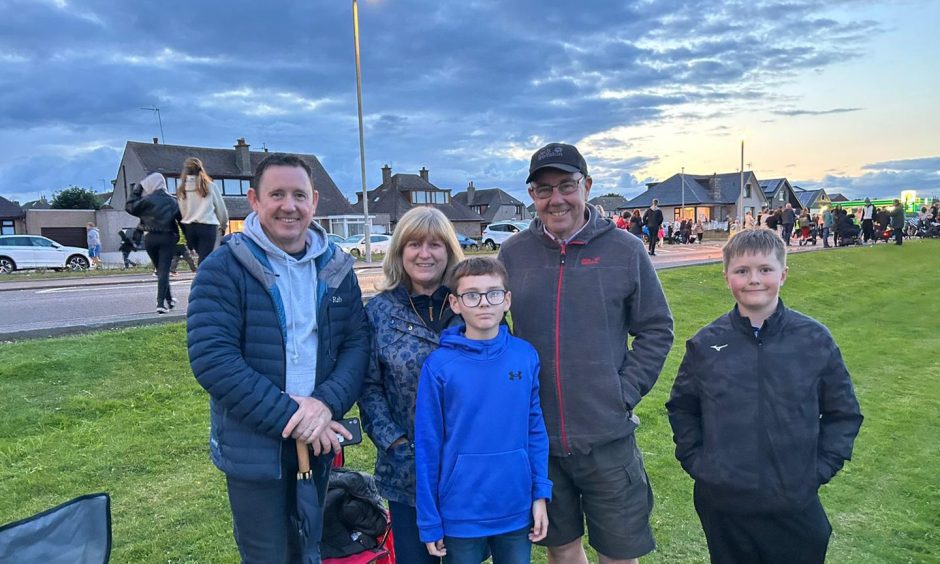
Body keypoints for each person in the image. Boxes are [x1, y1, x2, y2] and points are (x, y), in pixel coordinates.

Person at [186, 153, 370, 563]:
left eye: (299, 195)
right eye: (277, 194)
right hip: (255, 443)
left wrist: (324, 405)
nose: (289, 205)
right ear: (254, 200)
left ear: (315, 201)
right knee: (267, 554)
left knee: (310, 546)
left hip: (319, 435)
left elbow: (357, 345)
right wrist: (297, 419)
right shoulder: (223, 268)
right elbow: (213, 359)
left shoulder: (337, 267)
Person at [499, 142, 674, 564]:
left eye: (566, 186)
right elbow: (492, 332)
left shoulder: (626, 250)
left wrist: (622, 392)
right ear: (532, 197)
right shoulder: (513, 255)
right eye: (543, 190)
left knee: (618, 553)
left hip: (606, 438)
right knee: (562, 551)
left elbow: (656, 328)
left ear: (587, 186)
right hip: (540, 439)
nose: (555, 199)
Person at [666, 228, 863, 564]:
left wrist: (818, 470)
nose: (753, 280)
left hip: (793, 499)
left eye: (765, 270)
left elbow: (843, 413)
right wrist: (701, 464)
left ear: (783, 274)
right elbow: (683, 407)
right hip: (725, 503)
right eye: (742, 271)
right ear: (726, 275)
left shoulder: (814, 340)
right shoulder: (706, 343)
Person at [415, 257, 552, 563]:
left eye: (493, 294)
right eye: (471, 295)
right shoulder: (439, 367)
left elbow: (535, 430)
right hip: (461, 511)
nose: (483, 303)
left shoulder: (525, 357)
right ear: (455, 303)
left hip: (515, 507)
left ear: (507, 301)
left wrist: (539, 494)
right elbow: (427, 446)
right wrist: (429, 519)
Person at [358, 206, 465, 564]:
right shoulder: (380, 312)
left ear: (449, 251)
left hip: (468, 465)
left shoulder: (471, 306)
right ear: (399, 251)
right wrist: (395, 441)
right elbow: (369, 386)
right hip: (407, 472)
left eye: (435, 244)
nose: (425, 253)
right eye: (414, 244)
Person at [126, 173, 182, 314]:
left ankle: (169, 300)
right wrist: (190, 241)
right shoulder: (173, 201)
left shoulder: (146, 200)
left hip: (150, 238)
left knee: (160, 270)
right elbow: (182, 220)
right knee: (163, 271)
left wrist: (138, 189)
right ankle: (160, 304)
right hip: (167, 237)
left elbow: (129, 206)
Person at [178, 157, 229, 266]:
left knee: (202, 258)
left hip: (190, 227)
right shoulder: (209, 186)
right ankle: (202, 281)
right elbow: (221, 209)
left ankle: (204, 280)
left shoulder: (182, 188)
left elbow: (182, 210)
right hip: (207, 226)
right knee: (207, 260)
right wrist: (223, 226)